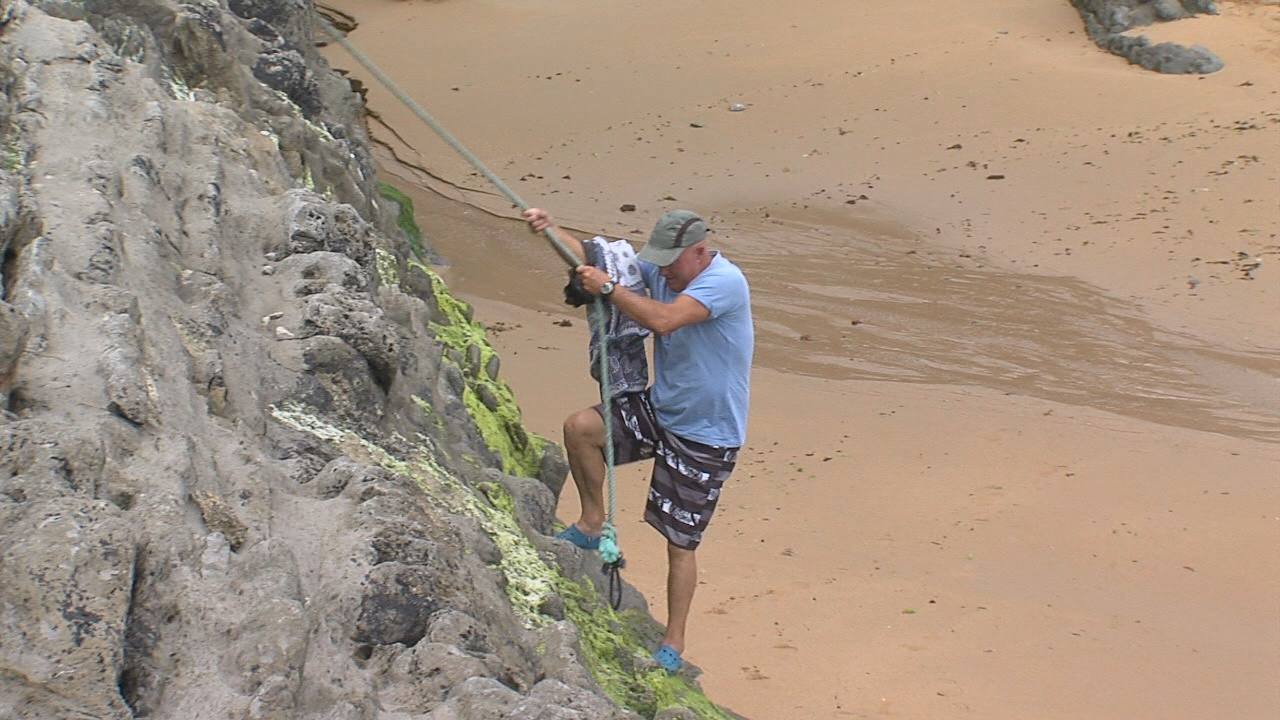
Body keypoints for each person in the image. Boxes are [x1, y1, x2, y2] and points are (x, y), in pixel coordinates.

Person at [523, 207, 754, 673]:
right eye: (660, 262)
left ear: (701, 251)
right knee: (581, 429)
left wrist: (609, 290)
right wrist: (551, 229)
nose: (663, 270)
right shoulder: (665, 267)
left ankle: (673, 642)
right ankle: (591, 524)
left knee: (679, 542)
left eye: (672, 262)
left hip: (706, 434)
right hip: (661, 409)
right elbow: (595, 256)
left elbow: (665, 321)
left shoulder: (725, 282)